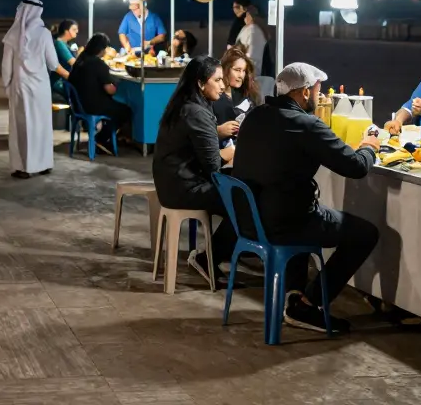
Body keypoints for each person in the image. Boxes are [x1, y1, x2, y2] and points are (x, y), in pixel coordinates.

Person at [231, 63, 380, 333]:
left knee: (295, 206)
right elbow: (356, 167)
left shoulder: (256, 116)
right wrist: (370, 147)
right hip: (284, 223)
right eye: (317, 92)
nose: (319, 97)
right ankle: (308, 305)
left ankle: (294, 296)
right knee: (365, 233)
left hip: (249, 222)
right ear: (303, 94)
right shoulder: (305, 124)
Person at [151, 56, 239, 284]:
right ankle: (208, 258)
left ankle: (216, 255)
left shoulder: (185, 104)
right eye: (217, 80)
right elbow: (214, 166)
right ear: (201, 83)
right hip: (184, 187)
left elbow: (191, 141)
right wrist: (238, 151)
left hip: (173, 181)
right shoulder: (197, 111)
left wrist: (216, 133)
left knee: (240, 189)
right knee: (244, 201)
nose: (223, 85)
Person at [3, 0, 59, 178]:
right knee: (41, 125)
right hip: (41, 87)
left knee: (22, 127)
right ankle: (43, 164)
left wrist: (7, 86)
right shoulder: (44, 34)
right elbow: (53, 63)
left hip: (20, 86)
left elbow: (6, 66)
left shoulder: (13, 34)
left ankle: (23, 167)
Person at [67, 33, 134, 155]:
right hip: (92, 105)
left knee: (114, 107)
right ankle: (101, 140)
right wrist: (117, 86)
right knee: (126, 111)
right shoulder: (98, 64)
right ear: (101, 49)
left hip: (77, 105)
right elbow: (110, 90)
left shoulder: (80, 60)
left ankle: (111, 137)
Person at [212, 47, 260, 159]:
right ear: (226, 69)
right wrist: (219, 131)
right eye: (237, 70)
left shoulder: (248, 96)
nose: (241, 76)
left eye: (243, 71)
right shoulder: (214, 97)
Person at [236, 6, 272, 96]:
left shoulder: (253, 31)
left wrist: (245, 73)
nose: (244, 18)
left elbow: (253, 57)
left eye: (246, 15)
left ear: (250, 16)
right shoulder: (251, 29)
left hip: (251, 77)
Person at [50, 19, 79, 103]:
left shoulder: (66, 44)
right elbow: (73, 62)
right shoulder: (60, 44)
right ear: (66, 31)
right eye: (74, 29)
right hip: (59, 81)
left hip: (65, 79)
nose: (77, 31)